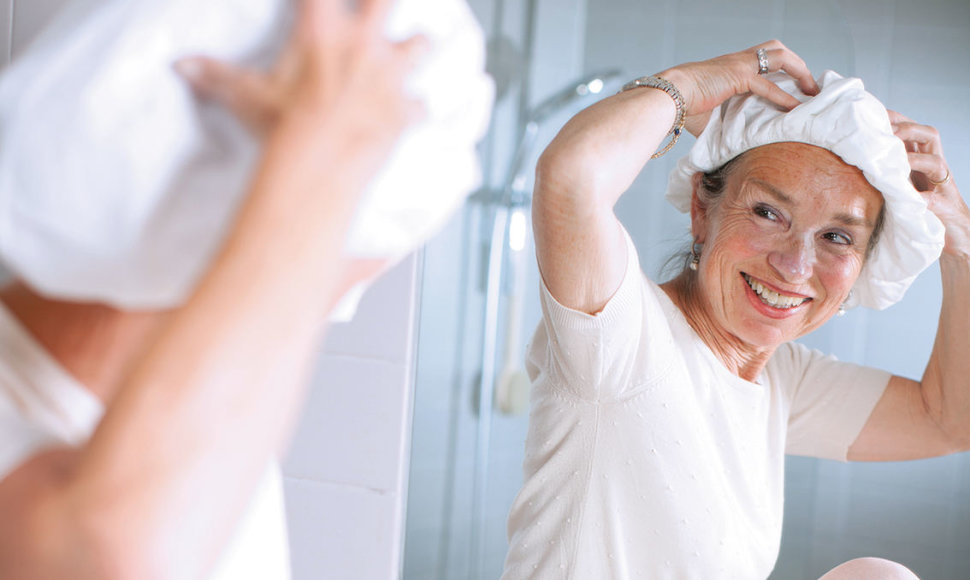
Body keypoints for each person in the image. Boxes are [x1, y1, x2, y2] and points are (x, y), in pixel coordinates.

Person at [502, 40, 968, 579]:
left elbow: (951, 419)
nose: (796, 265)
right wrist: (683, 87)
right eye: (768, 211)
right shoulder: (625, 336)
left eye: (838, 236)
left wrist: (961, 243)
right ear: (702, 208)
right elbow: (570, 177)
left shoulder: (780, 379)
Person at [0, 0, 427, 577]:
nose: (373, 264)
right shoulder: (135, 499)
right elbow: (107, 554)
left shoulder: (216, 425)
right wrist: (327, 153)